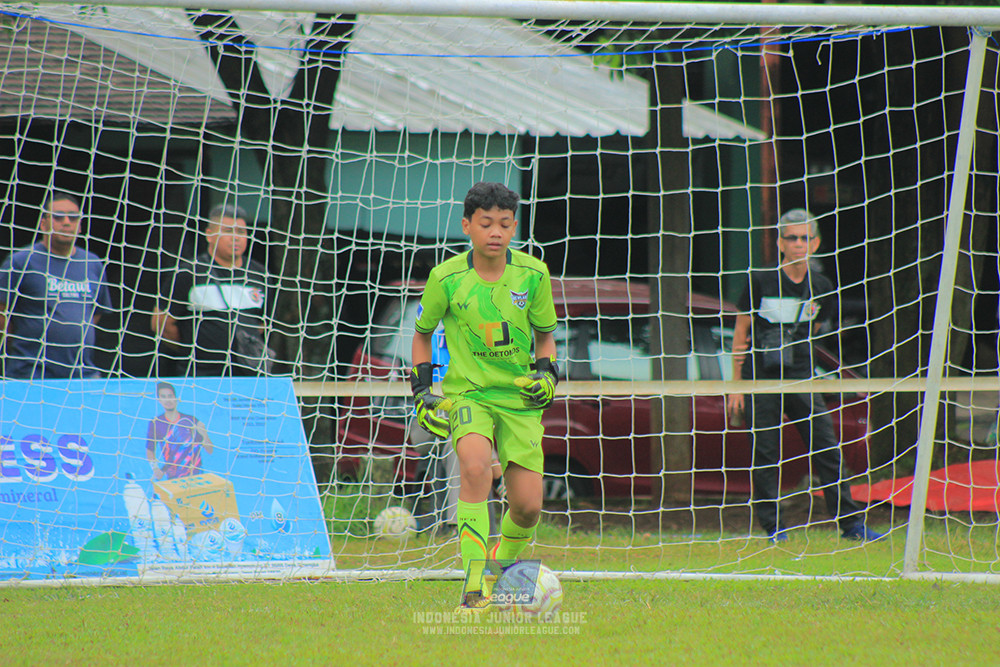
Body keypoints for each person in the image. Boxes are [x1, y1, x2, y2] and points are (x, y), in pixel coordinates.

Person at [409, 181, 559, 610]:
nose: (496, 232)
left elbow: (546, 338)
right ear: (467, 226)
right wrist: (423, 390)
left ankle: (498, 566)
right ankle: (473, 587)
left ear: (514, 229)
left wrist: (547, 374)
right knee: (475, 468)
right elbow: (421, 337)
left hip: (519, 401)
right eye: (486, 223)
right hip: (468, 395)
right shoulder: (446, 278)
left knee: (529, 506)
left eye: (505, 224)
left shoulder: (533, 274)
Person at [726, 208, 885, 543]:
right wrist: (735, 388)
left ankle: (851, 524)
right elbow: (740, 334)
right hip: (762, 378)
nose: (799, 244)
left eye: (805, 238)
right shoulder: (760, 280)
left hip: (802, 378)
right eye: (792, 238)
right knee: (766, 453)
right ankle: (774, 528)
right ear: (780, 242)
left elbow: (814, 331)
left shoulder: (822, 285)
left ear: (816, 243)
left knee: (827, 447)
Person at [0, 191, 112, 379]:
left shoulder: (92, 263)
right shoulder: (21, 261)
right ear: (43, 223)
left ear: (80, 225)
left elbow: (95, 314)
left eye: (73, 217)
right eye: (58, 217)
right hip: (31, 374)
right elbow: (2, 313)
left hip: (83, 374)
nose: (67, 222)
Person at [152, 203, 273, 376]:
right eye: (228, 231)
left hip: (248, 375)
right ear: (209, 235)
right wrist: (195, 349)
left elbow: (263, 324)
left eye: (241, 232)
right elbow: (161, 323)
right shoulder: (188, 273)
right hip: (200, 375)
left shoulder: (260, 274)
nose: (235, 238)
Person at [146, 381, 214, 480]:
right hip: (173, 477)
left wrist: (204, 433)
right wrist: (156, 469)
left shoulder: (191, 420)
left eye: (170, 396)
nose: (167, 400)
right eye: (163, 397)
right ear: (159, 400)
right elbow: (150, 450)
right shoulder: (156, 423)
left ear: (176, 398)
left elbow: (209, 450)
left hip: (196, 475)